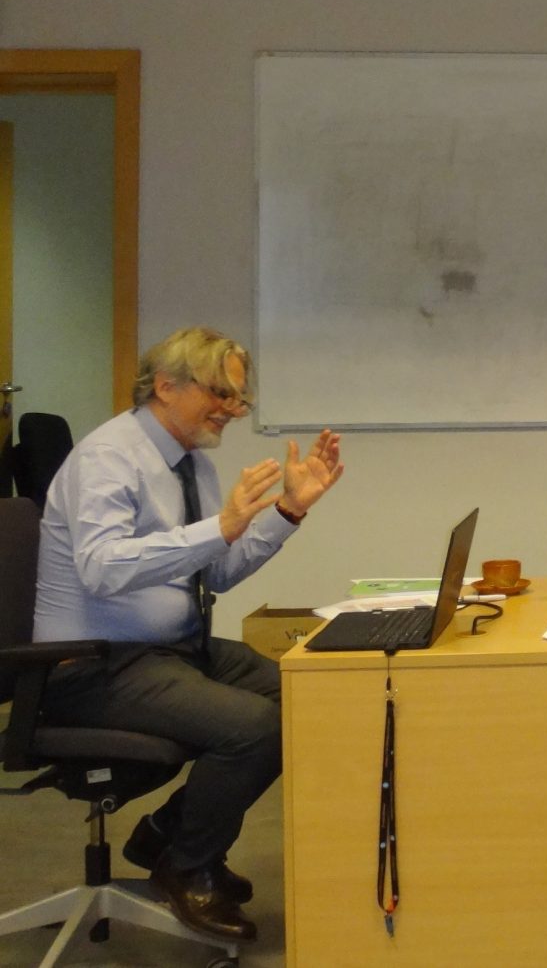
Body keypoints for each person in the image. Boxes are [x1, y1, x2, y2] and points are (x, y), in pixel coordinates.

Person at [33, 327, 343, 943]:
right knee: (253, 726)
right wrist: (219, 527)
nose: (232, 409)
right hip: (93, 665)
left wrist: (287, 511)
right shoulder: (107, 459)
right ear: (166, 386)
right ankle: (187, 864)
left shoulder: (189, 462)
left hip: (170, 651)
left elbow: (215, 571)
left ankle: (168, 835)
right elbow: (101, 567)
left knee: (305, 694)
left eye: (238, 397)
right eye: (220, 393)